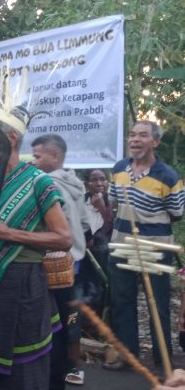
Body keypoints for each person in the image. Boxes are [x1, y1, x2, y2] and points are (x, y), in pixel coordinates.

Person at [0, 102, 72, 389]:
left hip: (26, 286)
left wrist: (10, 234)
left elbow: (64, 239)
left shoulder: (38, 182)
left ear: (11, 139)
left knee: (23, 370)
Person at [105, 120, 184, 371]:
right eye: (131, 135)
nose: (134, 140)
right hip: (121, 244)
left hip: (155, 248)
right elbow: (114, 202)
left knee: (157, 303)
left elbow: (177, 213)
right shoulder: (118, 169)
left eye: (142, 135)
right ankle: (129, 357)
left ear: (155, 142)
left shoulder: (169, 176)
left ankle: (163, 359)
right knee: (122, 300)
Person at [31, 134, 90, 388]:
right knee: (67, 320)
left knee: (52, 324)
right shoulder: (75, 184)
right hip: (73, 263)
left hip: (55, 265)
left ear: (55, 156)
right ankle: (67, 369)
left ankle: (54, 378)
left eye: (37, 156)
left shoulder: (47, 185)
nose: (33, 161)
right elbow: (86, 223)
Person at [77, 169, 113, 314]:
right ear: (87, 183)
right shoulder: (80, 200)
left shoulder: (113, 201)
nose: (99, 183)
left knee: (100, 289)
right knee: (84, 288)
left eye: (103, 179)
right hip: (83, 251)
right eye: (94, 180)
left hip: (103, 254)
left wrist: (102, 208)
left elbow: (110, 228)